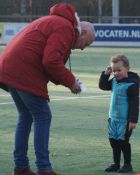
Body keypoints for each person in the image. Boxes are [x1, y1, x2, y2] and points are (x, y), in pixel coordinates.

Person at [0, 3, 95, 175]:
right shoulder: (65, 27)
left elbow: (49, 65)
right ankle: (43, 168)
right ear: (84, 32)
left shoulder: (55, 21)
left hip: (9, 67)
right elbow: (50, 62)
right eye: (85, 44)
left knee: (26, 116)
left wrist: (69, 81)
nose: (81, 48)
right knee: (43, 116)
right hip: (23, 70)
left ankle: (20, 167)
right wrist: (72, 82)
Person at [99, 55, 140, 173]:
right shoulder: (114, 81)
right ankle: (116, 163)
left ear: (127, 68)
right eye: (114, 70)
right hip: (113, 118)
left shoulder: (132, 84)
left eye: (119, 70)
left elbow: (134, 103)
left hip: (125, 120)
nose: (116, 73)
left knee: (123, 142)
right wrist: (106, 74)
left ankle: (127, 164)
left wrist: (133, 120)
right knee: (113, 141)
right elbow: (102, 86)